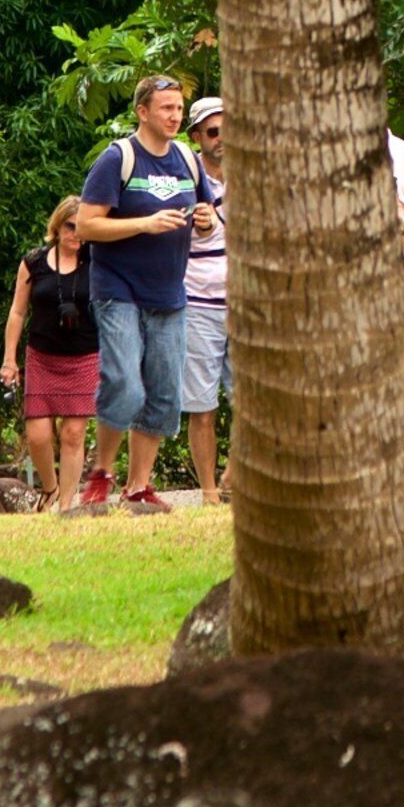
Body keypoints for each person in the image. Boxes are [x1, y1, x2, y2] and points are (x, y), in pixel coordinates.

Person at [76, 75, 214, 513]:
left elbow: (204, 215)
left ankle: (138, 486)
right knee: (124, 383)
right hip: (118, 289)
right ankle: (101, 473)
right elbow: (85, 226)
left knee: (164, 392)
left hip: (170, 292)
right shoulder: (118, 158)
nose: (174, 116)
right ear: (142, 112)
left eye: (178, 108)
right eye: (166, 108)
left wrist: (206, 220)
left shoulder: (188, 161)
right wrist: (144, 223)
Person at [0, 195, 106, 512]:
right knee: (38, 435)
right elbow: (17, 313)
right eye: (71, 226)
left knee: (73, 433)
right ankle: (50, 487)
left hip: (85, 355)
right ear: (57, 227)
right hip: (43, 354)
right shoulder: (34, 261)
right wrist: (9, 360)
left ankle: (67, 505)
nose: (77, 234)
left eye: (83, 227)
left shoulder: (96, 261)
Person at [176, 95, 231, 506]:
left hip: (246, 304)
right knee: (202, 406)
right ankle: (209, 493)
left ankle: (233, 476)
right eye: (213, 131)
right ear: (197, 136)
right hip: (198, 301)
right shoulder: (182, 175)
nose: (223, 138)